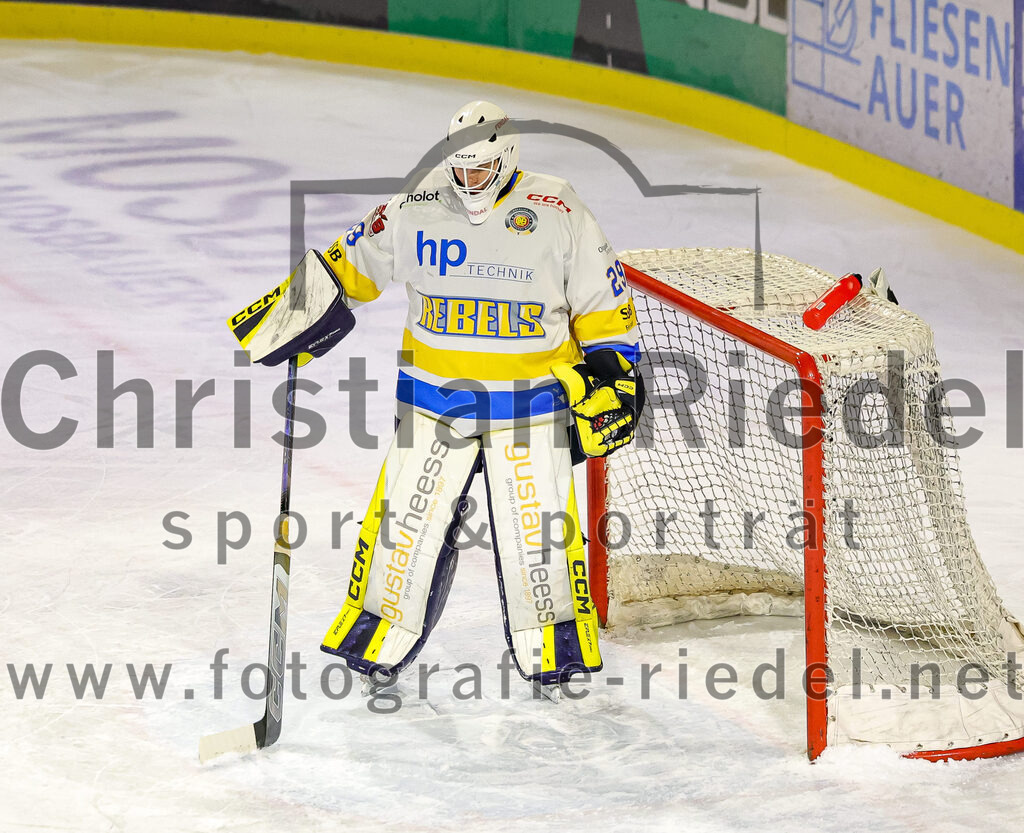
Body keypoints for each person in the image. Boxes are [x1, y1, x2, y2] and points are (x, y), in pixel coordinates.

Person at [317, 100, 642, 691]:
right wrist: (298, 308)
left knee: (537, 534)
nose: (467, 182)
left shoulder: (558, 206)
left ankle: (555, 652)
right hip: (433, 403)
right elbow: (350, 262)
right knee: (404, 526)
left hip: (531, 406)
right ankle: (376, 639)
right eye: (458, 170)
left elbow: (602, 301)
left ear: (507, 158)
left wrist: (613, 370)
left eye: (479, 171)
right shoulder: (415, 207)